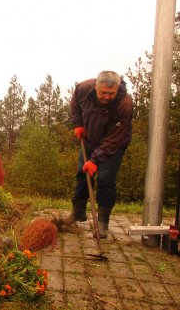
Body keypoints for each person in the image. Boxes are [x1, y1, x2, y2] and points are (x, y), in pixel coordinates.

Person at [70, 71, 133, 238]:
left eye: (111, 93)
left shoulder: (124, 104)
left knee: (105, 179)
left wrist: (95, 160)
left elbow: (114, 139)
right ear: (95, 86)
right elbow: (75, 103)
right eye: (103, 92)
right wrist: (78, 124)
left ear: (118, 89)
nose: (106, 97)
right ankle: (78, 212)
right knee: (82, 173)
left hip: (114, 144)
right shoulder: (83, 88)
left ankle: (103, 223)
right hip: (90, 138)